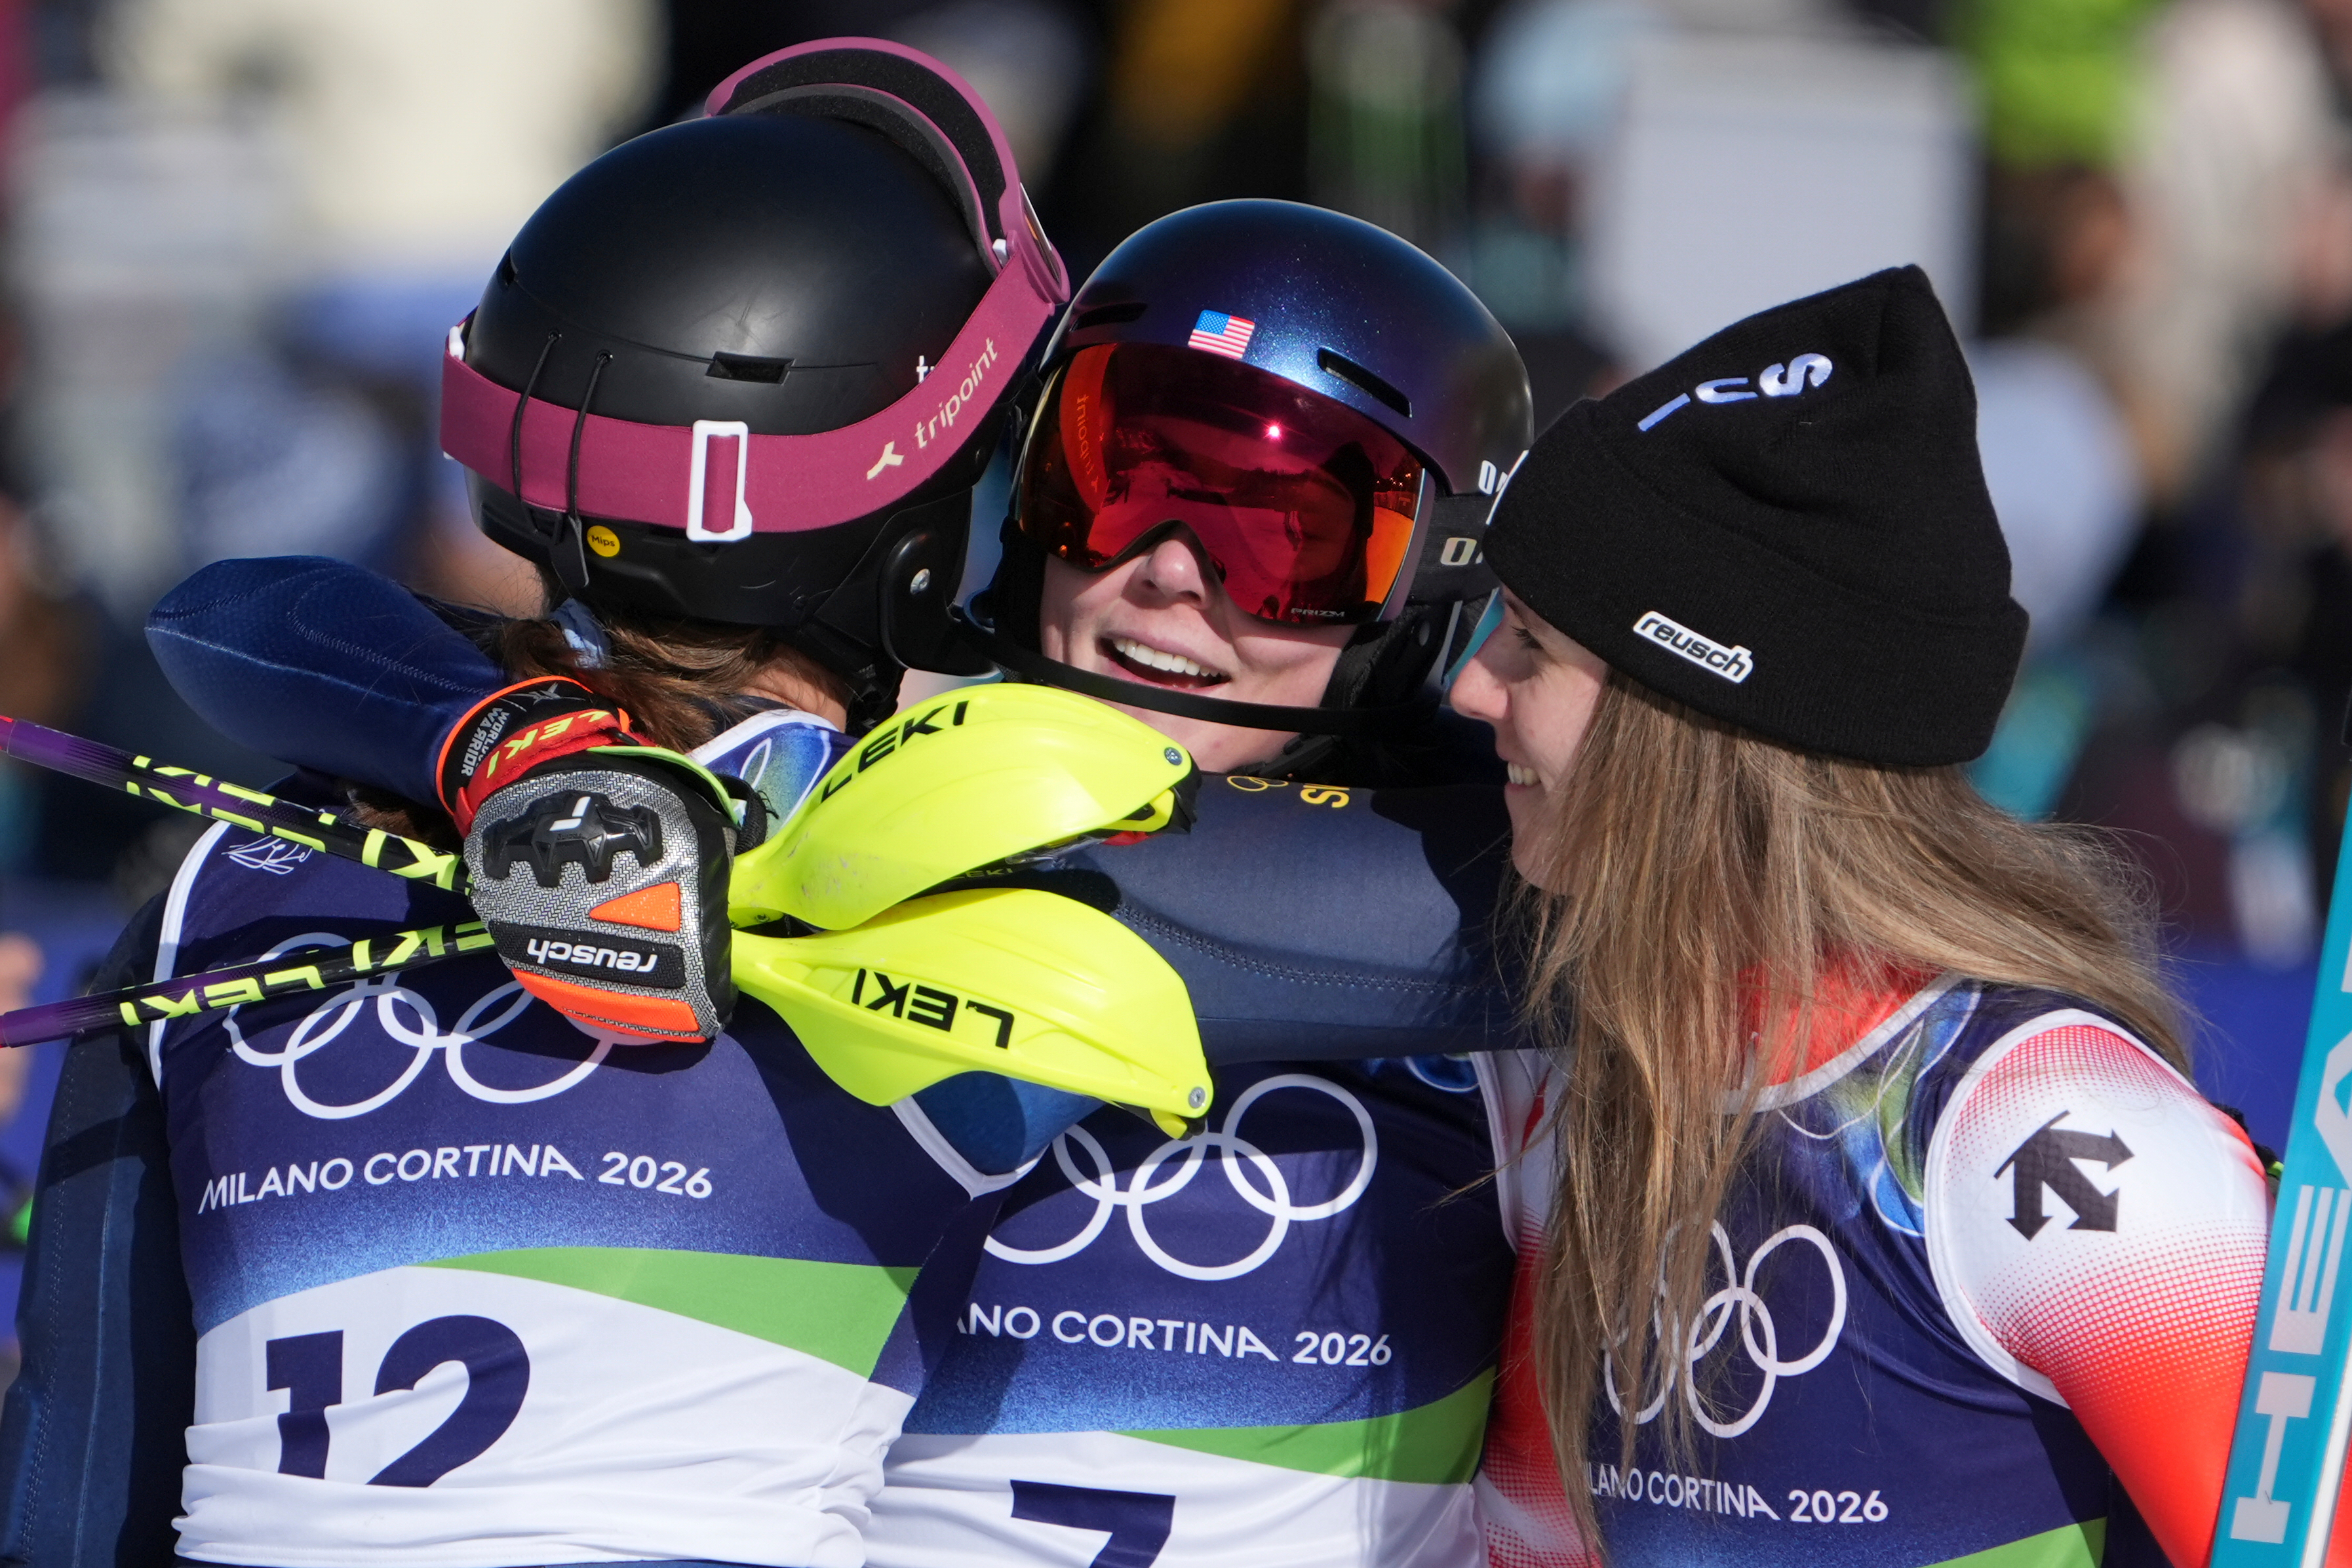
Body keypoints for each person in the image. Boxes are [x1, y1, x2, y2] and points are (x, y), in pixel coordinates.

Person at [142, 197, 1544, 1567]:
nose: (1168, 573)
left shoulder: (1506, 901)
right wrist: (506, 742)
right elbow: (245, 609)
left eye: (1284, 535)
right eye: (1115, 482)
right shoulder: (853, 814)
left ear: (1428, 586)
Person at [0, 40, 1225, 1568]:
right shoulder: (988, 869)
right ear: (917, 537)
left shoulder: (231, 887)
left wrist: (500, 735)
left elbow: (74, 1485)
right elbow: (1447, 928)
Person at [1453, 266, 2268, 1567]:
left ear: (1692, 726)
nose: (1473, 689)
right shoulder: (1601, 1071)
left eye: (1532, 644)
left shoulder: (2034, 1130)